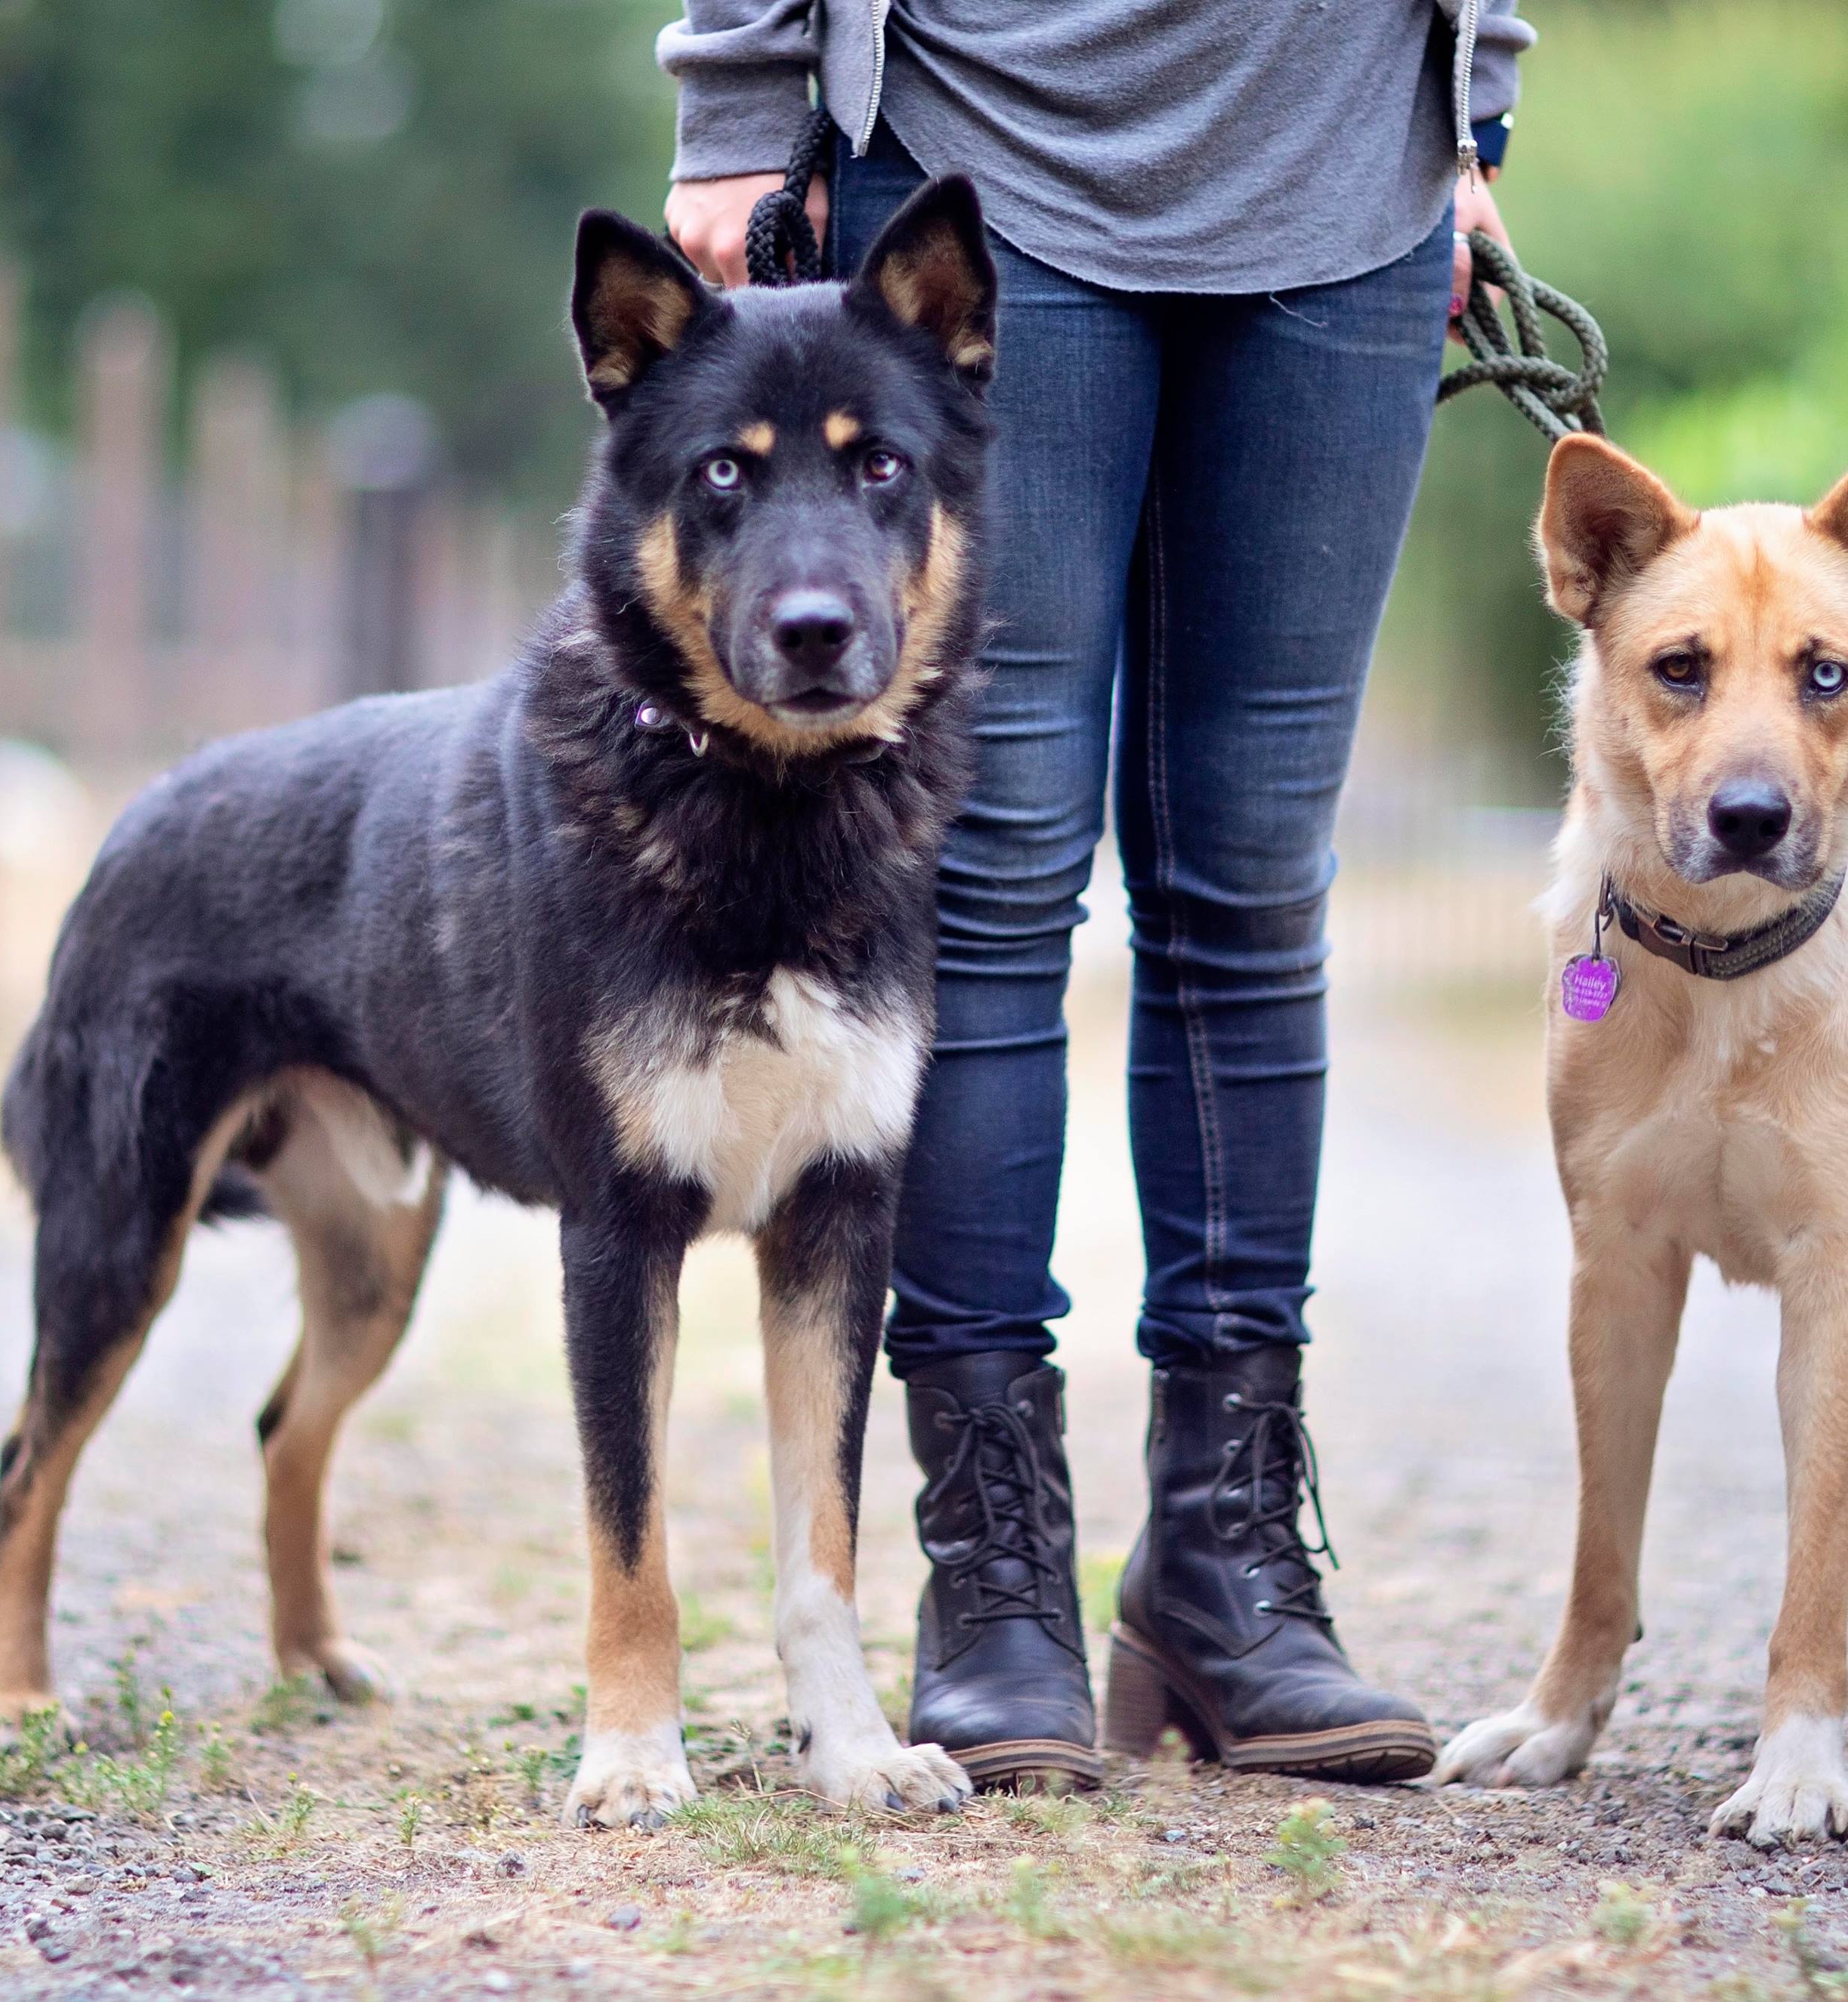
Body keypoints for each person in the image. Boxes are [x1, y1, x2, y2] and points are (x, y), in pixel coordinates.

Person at [654, 0, 1531, 1790]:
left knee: (1257, 891)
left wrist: (1473, 98)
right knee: (986, 879)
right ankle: (989, 1580)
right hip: (994, 134)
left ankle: (1222, 1568)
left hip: (1348, 165)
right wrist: (739, 90)